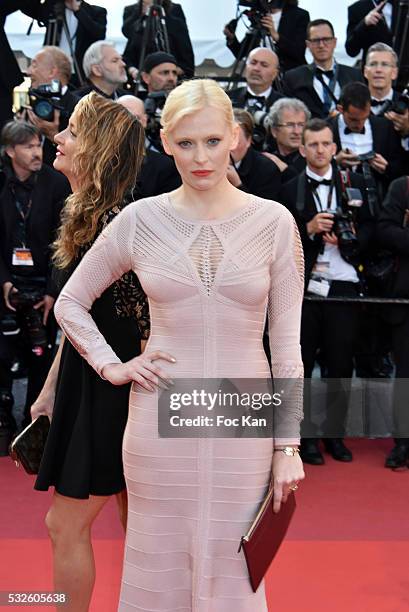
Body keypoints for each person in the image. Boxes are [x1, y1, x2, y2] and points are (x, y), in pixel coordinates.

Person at [53, 78, 305, 610]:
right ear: (165, 143)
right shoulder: (141, 219)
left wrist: (287, 446)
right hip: (160, 417)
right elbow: (69, 303)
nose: (201, 157)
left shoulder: (274, 222)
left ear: (235, 137)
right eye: (186, 143)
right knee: (158, 568)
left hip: (244, 412)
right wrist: (111, 366)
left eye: (213, 141)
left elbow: (286, 349)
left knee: (236, 573)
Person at [31, 92, 149, 612]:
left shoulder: (115, 223)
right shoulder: (83, 212)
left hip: (118, 393)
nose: (58, 137)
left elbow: (143, 321)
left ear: (98, 150)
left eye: (73, 132)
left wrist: (145, 399)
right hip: (92, 380)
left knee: (66, 522)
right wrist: (52, 389)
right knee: (139, 522)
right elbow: (75, 315)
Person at [280, 119, 374, 464]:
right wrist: (307, 229)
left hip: (345, 284)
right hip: (304, 290)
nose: (320, 150)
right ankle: (302, 438)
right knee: (300, 364)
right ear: (302, 149)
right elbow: (277, 242)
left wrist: (349, 242)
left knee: (339, 363)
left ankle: (334, 436)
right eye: (313, 145)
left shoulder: (357, 184)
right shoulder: (289, 188)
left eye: (325, 144)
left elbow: (373, 234)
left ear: (335, 147)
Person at [0, 121, 70, 430]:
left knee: (42, 355)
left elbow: (63, 242)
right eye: (27, 146)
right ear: (10, 151)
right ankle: (3, 415)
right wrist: (4, 281)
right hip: (8, 281)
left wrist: (52, 292)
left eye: (38, 145)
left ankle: (35, 420)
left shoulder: (56, 183)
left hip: (45, 281)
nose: (36, 152)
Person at [377, 176, 409, 468]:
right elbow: (385, 231)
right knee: (405, 376)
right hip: (405, 300)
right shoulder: (402, 187)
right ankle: (403, 444)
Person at [283, 19, 364, 119]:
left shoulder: (354, 75)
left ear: (334, 42)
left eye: (326, 39)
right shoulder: (292, 78)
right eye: (316, 41)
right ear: (308, 45)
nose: (321, 45)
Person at [22, 0, 107, 84]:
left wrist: (78, 10)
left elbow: (99, 34)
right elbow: (25, 6)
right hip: (52, 72)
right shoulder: (52, 8)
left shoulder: (96, 11)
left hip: (80, 74)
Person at [117, 94, 182, 198]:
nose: (128, 124)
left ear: (144, 121)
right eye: (121, 117)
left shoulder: (164, 167)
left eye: (135, 118)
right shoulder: (95, 161)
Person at [25, 46, 80, 166]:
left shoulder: (80, 108)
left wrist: (52, 135)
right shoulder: (30, 106)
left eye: (34, 65)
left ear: (52, 72)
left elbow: (84, 157)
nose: (28, 72)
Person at [224, 0, 310, 73]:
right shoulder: (259, 15)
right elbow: (241, 53)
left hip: (289, 75)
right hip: (262, 76)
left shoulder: (299, 15)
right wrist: (231, 38)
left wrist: (276, 37)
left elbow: (298, 51)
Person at [122, 0, 194, 79]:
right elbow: (127, 33)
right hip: (142, 70)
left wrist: (166, 72)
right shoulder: (132, 10)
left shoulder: (174, 10)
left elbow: (186, 56)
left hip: (171, 70)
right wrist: (141, 14)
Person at [227, 47, 282, 149]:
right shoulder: (226, 99)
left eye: (264, 65)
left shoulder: (284, 105)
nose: (256, 69)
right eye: (253, 63)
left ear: (275, 74)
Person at [227, 108, 282, 200]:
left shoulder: (266, 170)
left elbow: (264, 212)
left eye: (234, 141)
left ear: (249, 140)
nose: (227, 147)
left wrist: (238, 185)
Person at [264, 97, 310, 180]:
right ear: (274, 131)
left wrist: (285, 170)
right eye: (290, 125)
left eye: (301, 125)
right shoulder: (265, 159)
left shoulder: (313, 158)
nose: (297, 131)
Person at [345, 0, 397, 66]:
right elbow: (351, 50)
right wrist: (364, 24)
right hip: (374, 70)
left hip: (404, 70)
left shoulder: (403, 4)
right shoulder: (356, 8)